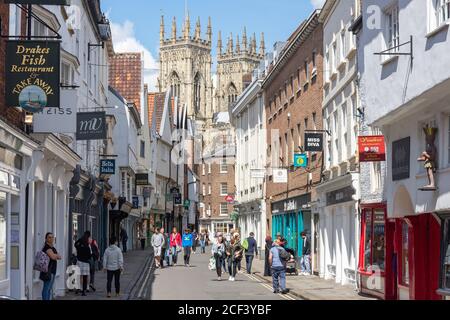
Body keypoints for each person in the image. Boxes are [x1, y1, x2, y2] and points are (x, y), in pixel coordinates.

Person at [41, 232, 62, 300]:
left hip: (52, 270)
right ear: (46, 238)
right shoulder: (47, 247)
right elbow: (53, 257)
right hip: (48, 270)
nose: (51, 239)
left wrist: (55, 255)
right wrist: (55, 255)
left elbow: (60, 257)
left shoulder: (52, 248)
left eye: (52, 237)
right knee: (46, 288)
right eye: (49, 237)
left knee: (49, 288)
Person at [75, 231, 92, 296]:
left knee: (79, 276)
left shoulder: (79, 244)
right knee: (85, 277)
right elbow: (89, 255)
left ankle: (79, 288)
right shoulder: (87, 246)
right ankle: (83, 291)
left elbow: (75, 244)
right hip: (85, 263)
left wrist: (80, 240)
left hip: (79, 261)